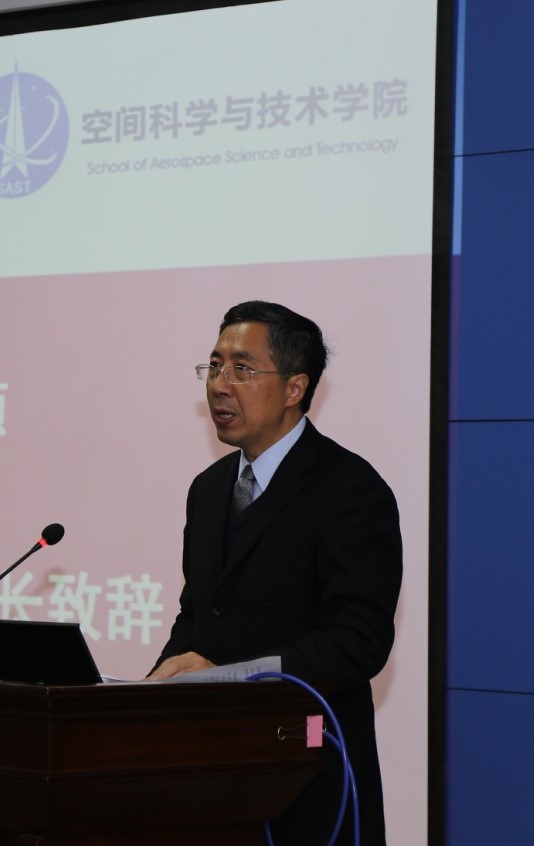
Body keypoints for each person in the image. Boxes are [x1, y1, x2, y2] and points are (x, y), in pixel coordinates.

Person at [149, 300, 402, 846]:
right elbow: (198, 617)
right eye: (214, 366)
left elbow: (358, 642)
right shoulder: (209, 489)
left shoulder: (351, 489)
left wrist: (229, 675)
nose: (219, 385)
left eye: (242, 368)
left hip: (311, 776)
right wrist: (153, 691)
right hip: (216, 776)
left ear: (294, 388)